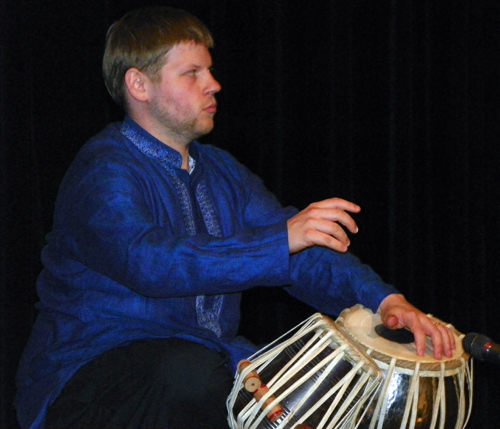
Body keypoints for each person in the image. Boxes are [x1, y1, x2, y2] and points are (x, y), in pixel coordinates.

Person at [15, 6, 455, 429]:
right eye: (192, 74)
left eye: (209, 70)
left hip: (201, 365)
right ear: (139, 85)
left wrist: (384, 302)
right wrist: (279, 240)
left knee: (312, 386)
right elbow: (148, 262)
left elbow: (298, 255)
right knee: (190, 374)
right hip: (92, 376)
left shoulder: (222, 171)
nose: (214, 84)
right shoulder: (103, 169)